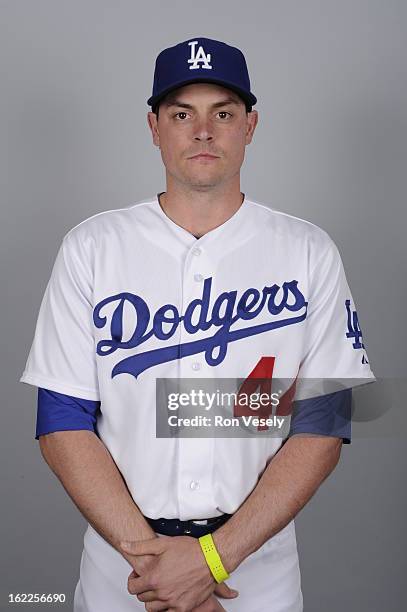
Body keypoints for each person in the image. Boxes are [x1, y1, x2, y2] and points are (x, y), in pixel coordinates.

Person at [20, 37, 376, 611]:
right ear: (154, 127)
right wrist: (159, 569)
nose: (203, 131)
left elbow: (323, 426)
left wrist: (212, 560)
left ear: (250, 126)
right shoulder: (92, 247)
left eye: (223, 113)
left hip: (255, 570)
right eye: (182, 113)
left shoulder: (308, 251)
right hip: (127, 574)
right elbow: (62, 419)